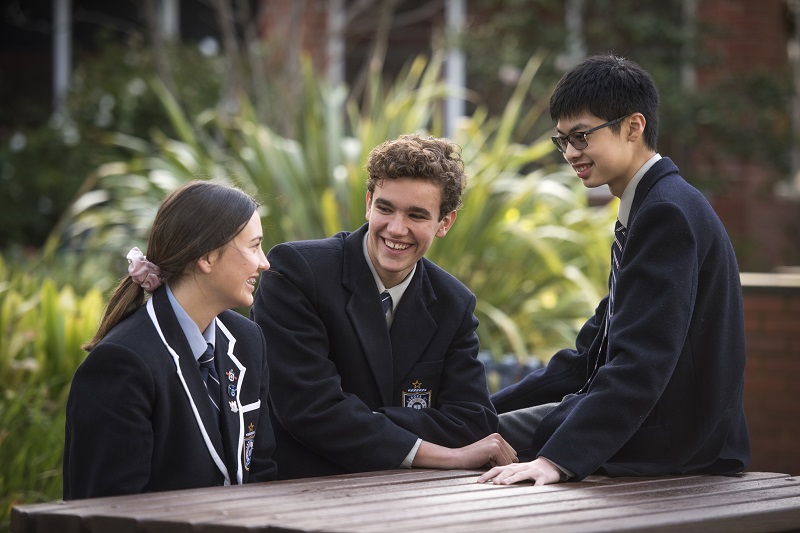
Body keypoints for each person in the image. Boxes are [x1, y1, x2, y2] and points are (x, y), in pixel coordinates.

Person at [479, 54, 750, 486]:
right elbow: (589, 354)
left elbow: (642, 362)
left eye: (582, 136)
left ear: (633, 126)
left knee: (466, 439)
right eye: (563, 140)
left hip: (672, 439)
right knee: (473, 426)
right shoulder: (651, 205)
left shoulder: (666, 214)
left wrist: (557, 461)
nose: (570, 152)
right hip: (663, 428)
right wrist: (484, 406)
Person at [252, 134, 517, 479]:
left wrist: (357, 418)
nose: (396, 228)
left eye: (417, 215)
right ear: (368, 202)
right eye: (385, 208)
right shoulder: (297, 272)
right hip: (301, 490)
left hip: (412, 498)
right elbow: (308, 409)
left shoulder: (454, 303)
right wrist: (439, 453)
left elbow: (472, 421)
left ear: (444, 223)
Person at [63, 180, 278, 499]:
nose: (264, 262)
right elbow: (107, 512)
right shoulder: (121, 364)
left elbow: (261, 470)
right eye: (253, 246)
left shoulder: (246, 340)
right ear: (207, 257)